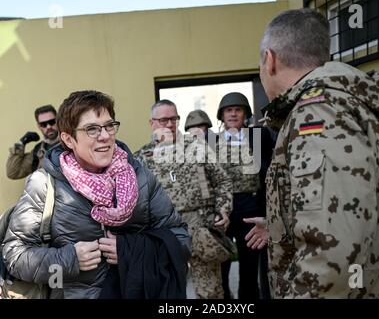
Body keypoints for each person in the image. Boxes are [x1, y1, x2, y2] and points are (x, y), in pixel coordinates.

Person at [247, 8, 379, 298]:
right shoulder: (344, 105)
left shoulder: (317, 114)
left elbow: (334, 252)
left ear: (269, 60)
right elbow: (350, 207)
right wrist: (280, 223)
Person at [2, 91, 190, 299]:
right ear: (68, 139)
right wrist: (69, 259)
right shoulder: (44, 184)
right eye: (91, 129)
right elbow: (14, 254)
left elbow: (180, 239)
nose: (105, 136)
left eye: (109, 126)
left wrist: (130, 251)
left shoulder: (141, 178)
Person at [134, 100, 233, 299]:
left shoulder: (197, 147)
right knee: (168, 291)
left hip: (201, 226)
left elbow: (222, 180)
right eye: (163, 120)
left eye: (174, 118)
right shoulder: (142, 158)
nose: (169, 124)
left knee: (210, 291)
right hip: (164, 232)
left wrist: (224, 209)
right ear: (152, 123)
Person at [216, 92, 275, 299]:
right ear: (222, 115)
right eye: (228, 110)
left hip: (251, 209)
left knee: (250, 267)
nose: (233, 114)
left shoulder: (260, 136)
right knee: (220, 266)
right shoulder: (210, 141)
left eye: (238, 110)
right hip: (222, 211)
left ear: (246, 114)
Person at [6, 104, 60, 179]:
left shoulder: (70, 142)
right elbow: (13, 173)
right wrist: (22, 143)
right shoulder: (38, 151)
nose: (48, 127)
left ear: (58, 121)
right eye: (43, 124)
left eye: (52, 122)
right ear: (39, 126)